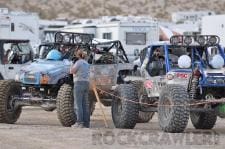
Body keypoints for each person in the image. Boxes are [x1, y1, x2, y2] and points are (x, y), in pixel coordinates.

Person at [70, 48, 90, 128]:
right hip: (86, 83)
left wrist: (71, 64)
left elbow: (72, 71)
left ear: (78, 55)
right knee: (85, 104)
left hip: (79, 83)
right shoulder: (86, 63)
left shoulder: (78, 63)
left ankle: (79, 122)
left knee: (78, 104)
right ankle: (86, 123)